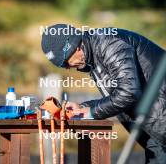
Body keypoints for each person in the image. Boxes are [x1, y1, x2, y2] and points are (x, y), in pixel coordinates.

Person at [41, 23, 166, 163]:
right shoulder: (92, 55)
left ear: (74, 47)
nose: (68, 68)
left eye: (65, 63)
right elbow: (116, 96)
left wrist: (90, 112)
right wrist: (83, 107)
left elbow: (129, 93)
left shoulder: (109, 43)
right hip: (153, 133)